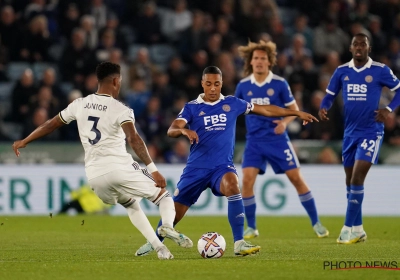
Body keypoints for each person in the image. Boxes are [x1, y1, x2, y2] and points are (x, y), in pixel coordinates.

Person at [12, 62, 193, 260]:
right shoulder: (121, 109)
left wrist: (25, 140)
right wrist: (153, 169)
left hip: (95, 177)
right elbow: (134, 139)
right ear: (116, 81)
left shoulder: (79, 104)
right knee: (164, 197)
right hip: (119, 167)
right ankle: (166, 227)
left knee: (131, 204)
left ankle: (160, 249)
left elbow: (51, 124)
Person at [135, 66, 319, 257]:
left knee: (233, 183)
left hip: (221, 167)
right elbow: (172, 129)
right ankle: (155, 243)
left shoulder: (232, 103)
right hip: (196, 169)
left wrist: (295, 113)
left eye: (216, 84)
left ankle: (239, 243)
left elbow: (264, 109)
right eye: (208, 84)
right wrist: (184, 130)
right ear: (202, 84)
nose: (213, 88)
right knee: (176, 212)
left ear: (221, 83)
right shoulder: (192, 107)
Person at [234, 40, 329, 240]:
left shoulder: (279, 83)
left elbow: (294, 110)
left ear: (269, 62)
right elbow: (235, 111)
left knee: (296, 179)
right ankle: (251, 227)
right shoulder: (243, 86)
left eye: (263, 59)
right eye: (256, 58)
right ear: (251, 62)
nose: (259, 62)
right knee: (247, 180)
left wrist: (284, 123)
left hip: (277, 140)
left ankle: (316, 222)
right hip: (254, 142)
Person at [319, 33, 400, 244]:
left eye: (363, 44)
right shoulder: (342, 71)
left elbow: (399, 90)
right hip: (349, 134)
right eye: (355, 43)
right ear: (350, 48)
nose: (359, 47)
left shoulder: (380, 70)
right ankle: (359, 229)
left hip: (371, 132)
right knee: (350, 182)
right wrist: (323, 107)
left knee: (357, 178)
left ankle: (346, 229)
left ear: (368, 49)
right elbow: (329, 95)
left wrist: (389, 109)